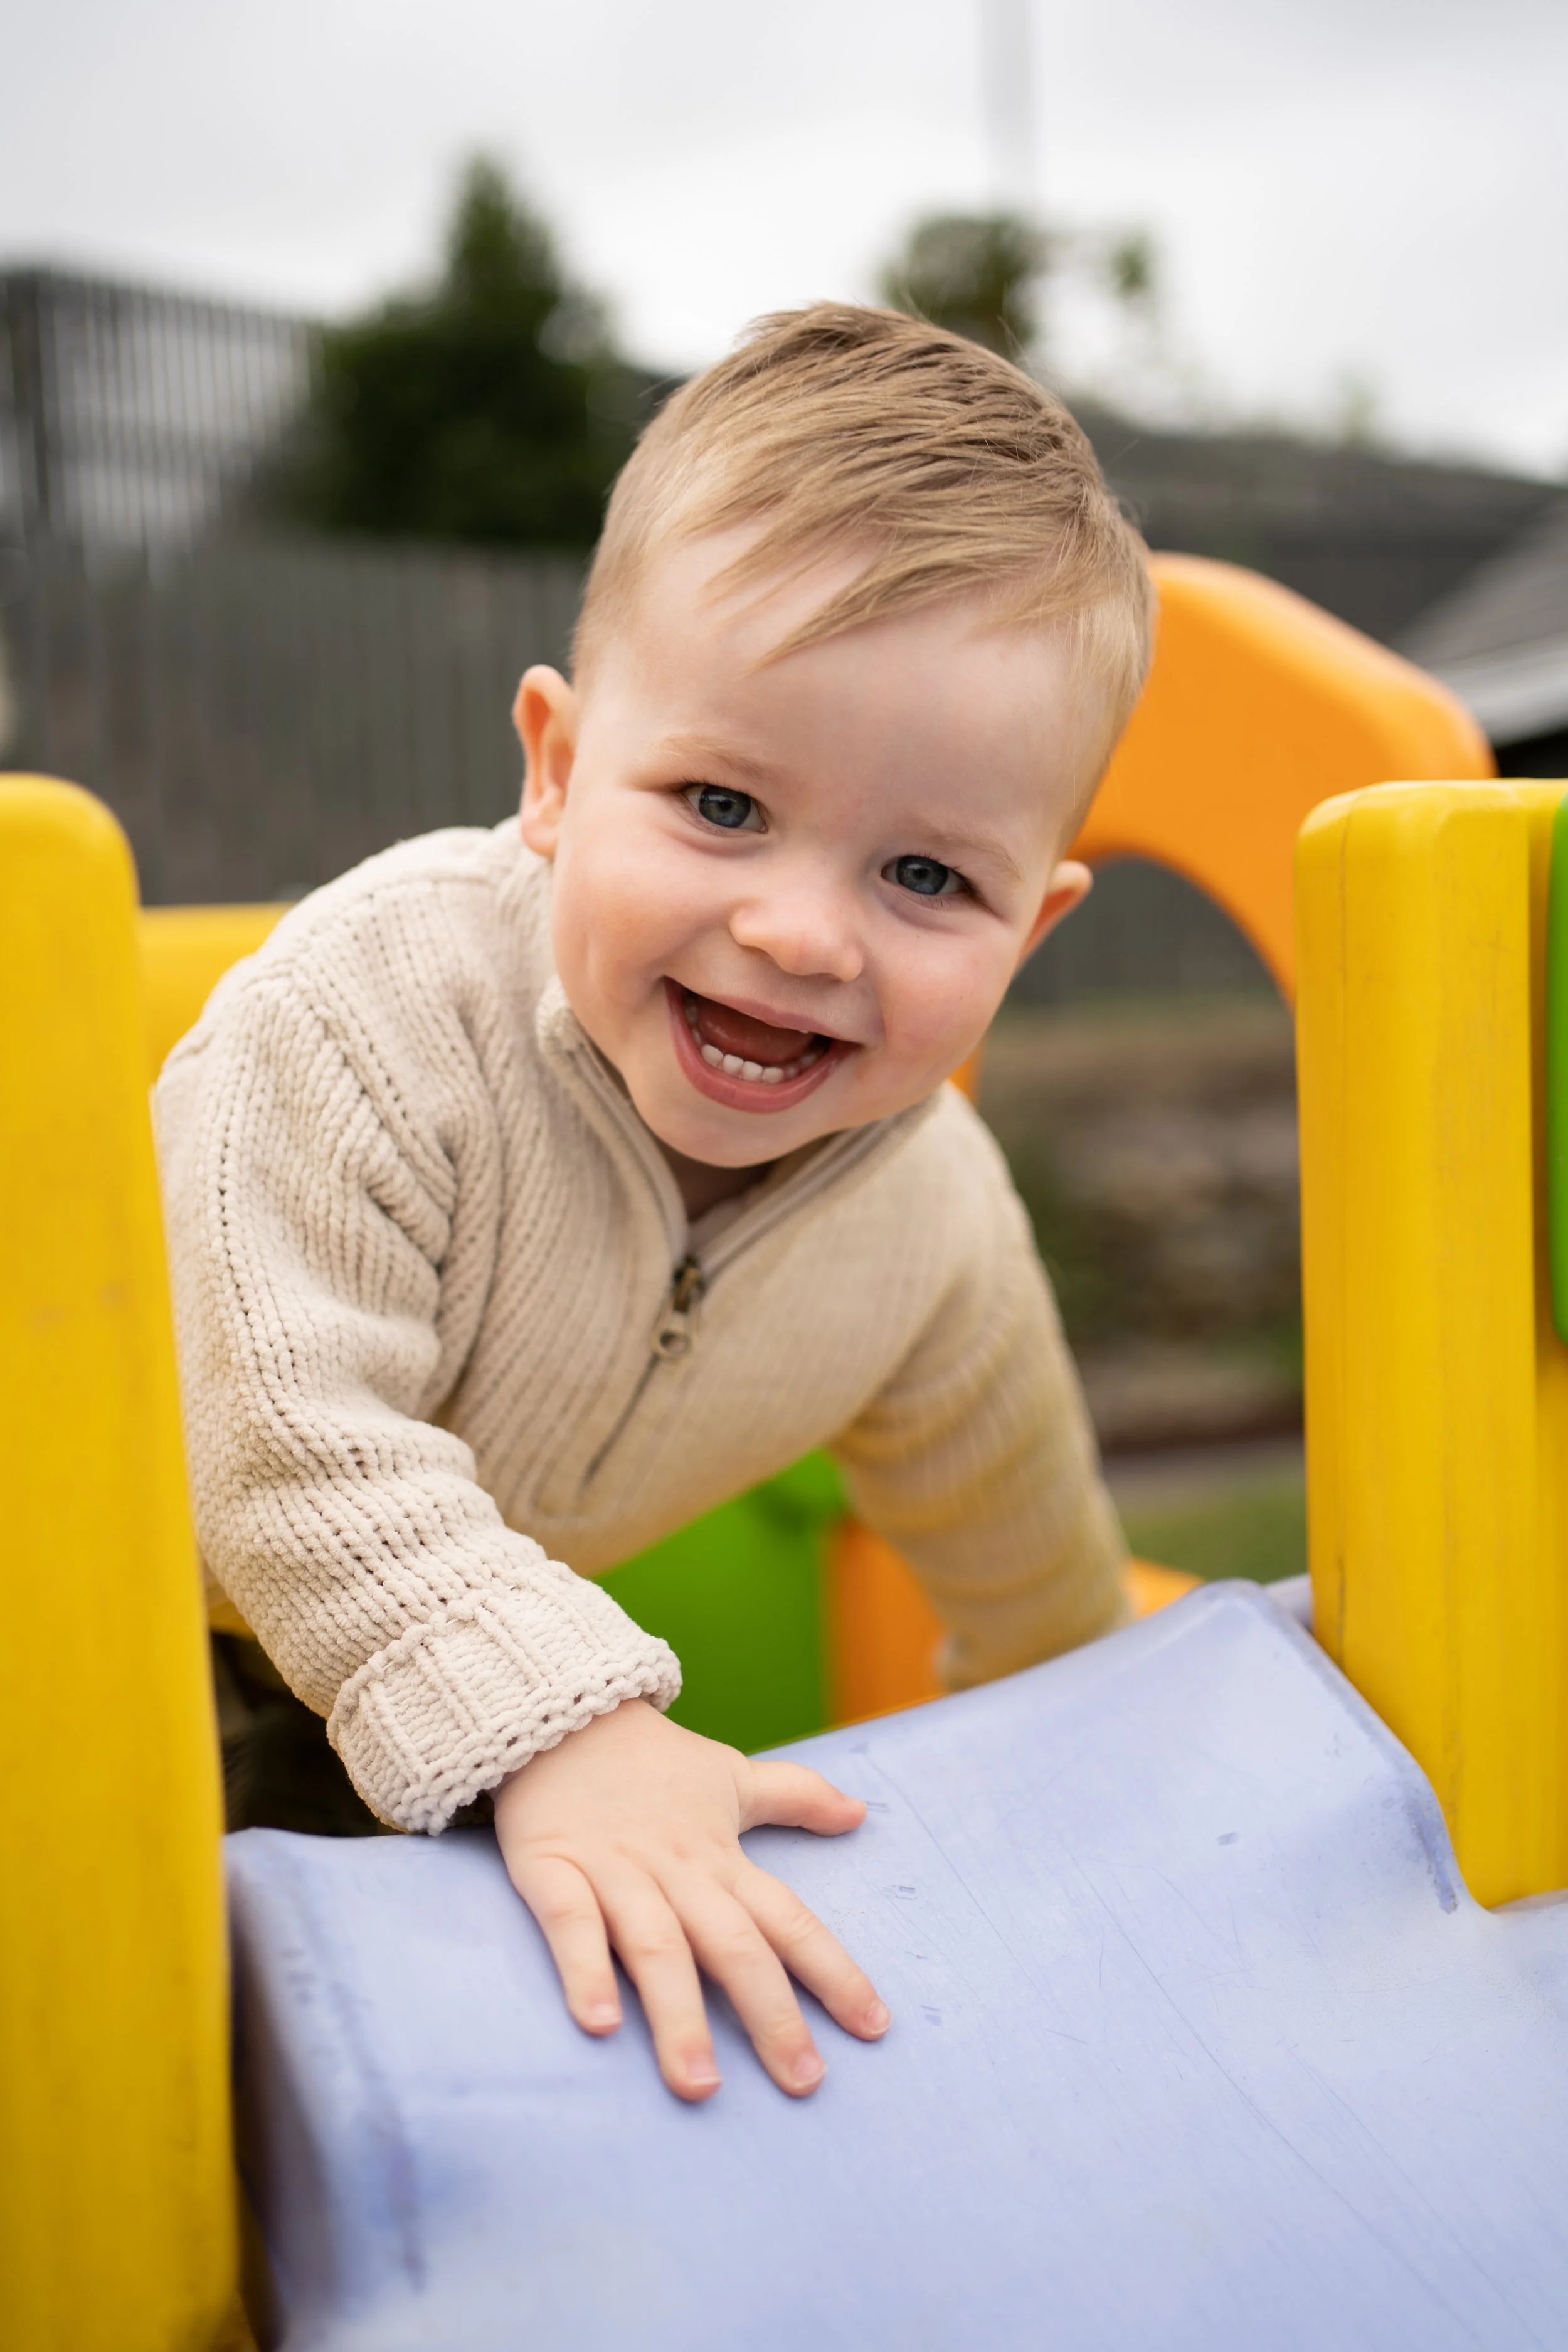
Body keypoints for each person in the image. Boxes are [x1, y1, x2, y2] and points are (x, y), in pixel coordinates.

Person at [157, 303, 1155, 2106]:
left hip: (446, 1671)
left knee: (588, 2034)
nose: (800, 932)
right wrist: (572, 1726)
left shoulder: (933, 1220)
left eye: (927, 875)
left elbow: (1033, 1579)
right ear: (554, 770)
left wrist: (1119, 1777)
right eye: (720, 803)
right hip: (134, 1647)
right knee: (193, 2062)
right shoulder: (369, 1019)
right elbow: (286, 1452)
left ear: (1033, 930)